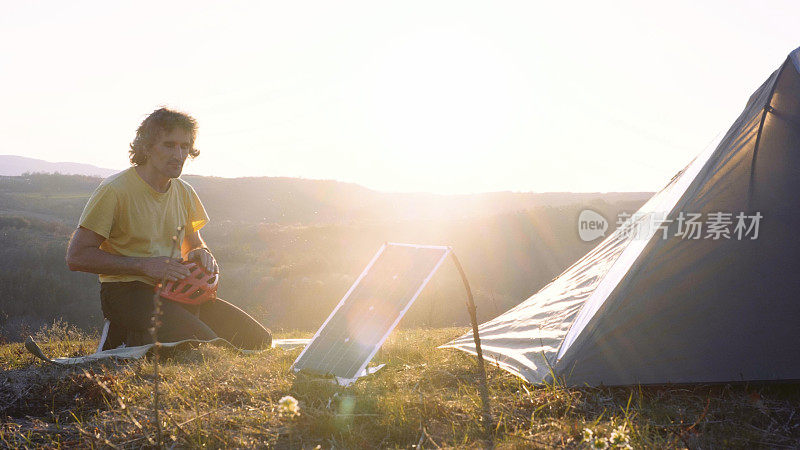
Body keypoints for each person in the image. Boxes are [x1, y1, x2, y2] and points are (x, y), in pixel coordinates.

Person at [66, 107, 271, 350]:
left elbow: (193, 243)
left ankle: (148, 336)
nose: (179, 154)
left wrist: (201, 252)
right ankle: (124, 335)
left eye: (184, 146)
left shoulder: (184, 192)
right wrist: (143, 265)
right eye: (169, 145)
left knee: (259, 341)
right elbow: (76, 256)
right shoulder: (114, 190)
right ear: (147, 147)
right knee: (206, 347)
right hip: (125, 293)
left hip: (176, 290)